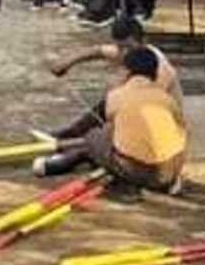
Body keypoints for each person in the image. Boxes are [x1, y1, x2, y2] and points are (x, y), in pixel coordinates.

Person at [34, 47, 187, 194]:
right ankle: (167, 181)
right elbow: (182, 132)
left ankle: (58, 164)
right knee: (112, 134)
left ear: (127, 72)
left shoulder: (116, 96)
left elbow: (93, 126)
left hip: (142, 173)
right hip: (171, 172)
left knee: (94, 136)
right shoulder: (167, 99)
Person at [48, 14, 182, 138]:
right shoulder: (130, 52)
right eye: (120, 47)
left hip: (160, 122)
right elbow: (97, 51)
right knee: (109, 104)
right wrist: (67, 62)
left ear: (143, 41)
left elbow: (145, 104)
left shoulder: (159, 67)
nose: (123, 53)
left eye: (128, 47)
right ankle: (74, 132)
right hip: (140, 112)